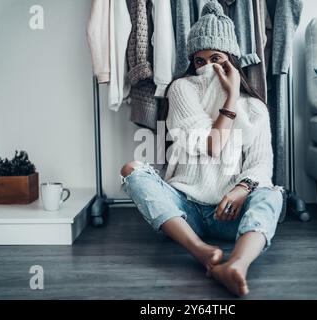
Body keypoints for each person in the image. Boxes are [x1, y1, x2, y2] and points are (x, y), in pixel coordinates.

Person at [120, 1, 283, 297]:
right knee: (133, 170)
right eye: (199, 60)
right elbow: (213, 146)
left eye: (216, 58)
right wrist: (231, 97)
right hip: (188, 209)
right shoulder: (182, 89)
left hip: (231, 210)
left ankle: (236, 265)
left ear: (231, 62)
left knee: (271, 194)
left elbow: (261, 164)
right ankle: (202, 251)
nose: (207, 68)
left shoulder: (256, 108)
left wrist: (241, 189)